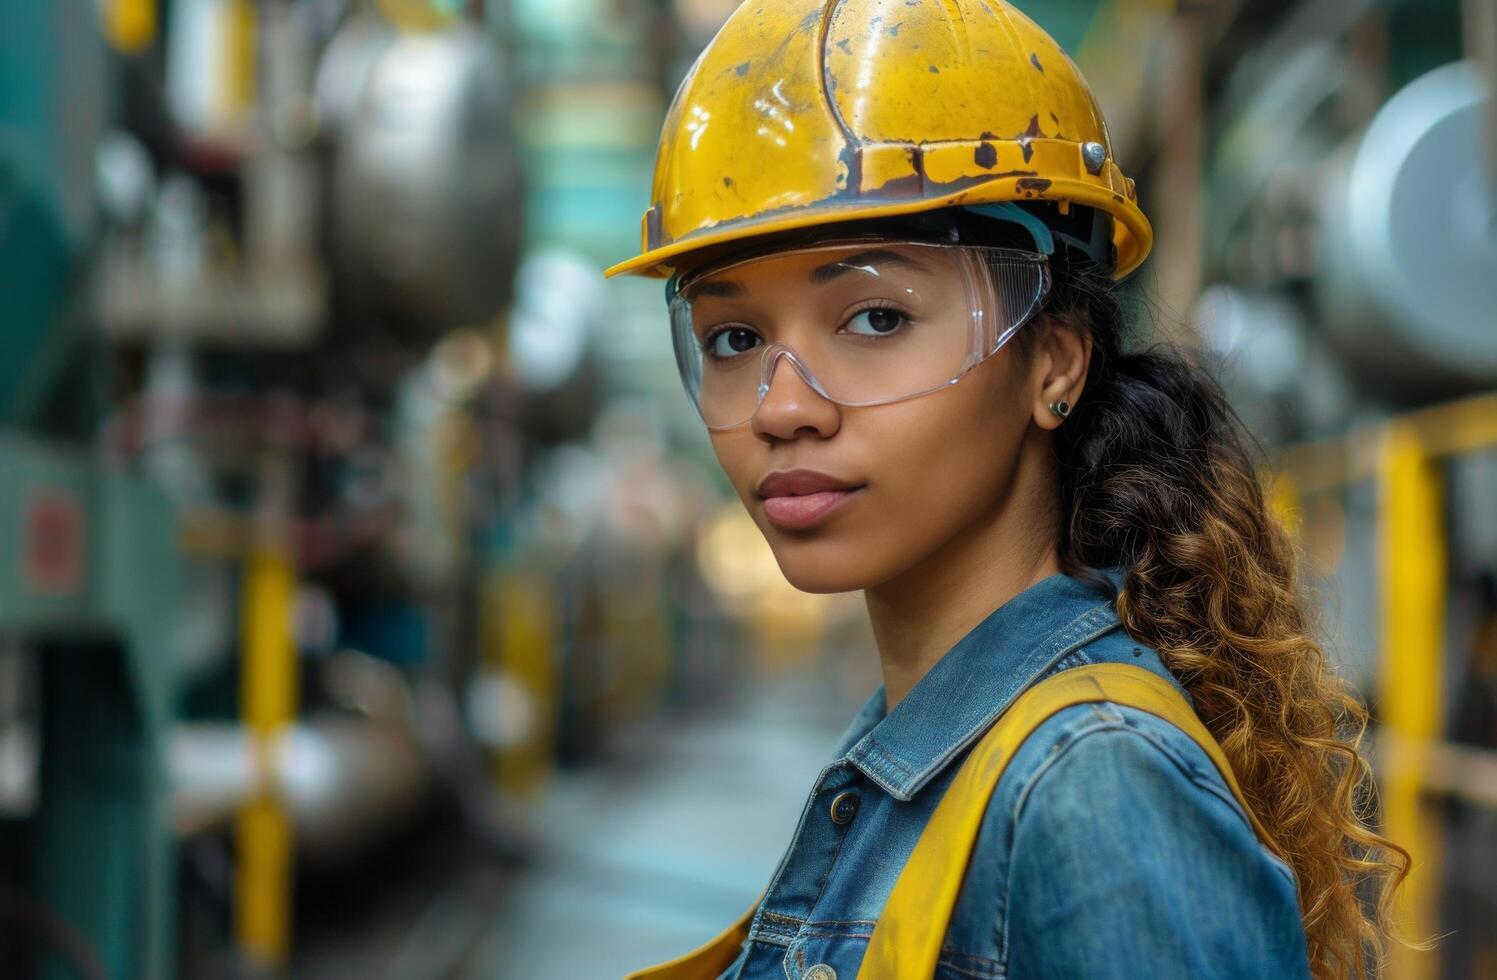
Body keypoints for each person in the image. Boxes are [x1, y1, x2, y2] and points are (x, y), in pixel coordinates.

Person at [605, 1, 1410, 977]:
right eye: (734, 338)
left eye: (871, 318)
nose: (782, 407)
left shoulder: (1094, 794)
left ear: (1055, 362)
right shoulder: (924, 753)